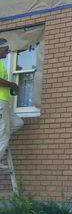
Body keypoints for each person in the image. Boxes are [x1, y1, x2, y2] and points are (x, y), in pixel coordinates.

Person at [0, 38, 24, 168]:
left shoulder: (1, 64)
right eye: (6, 49)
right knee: (4, 135)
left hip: (4, 102)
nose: (8, 51)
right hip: (0, 102)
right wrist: (13, 85)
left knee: (18, 123)